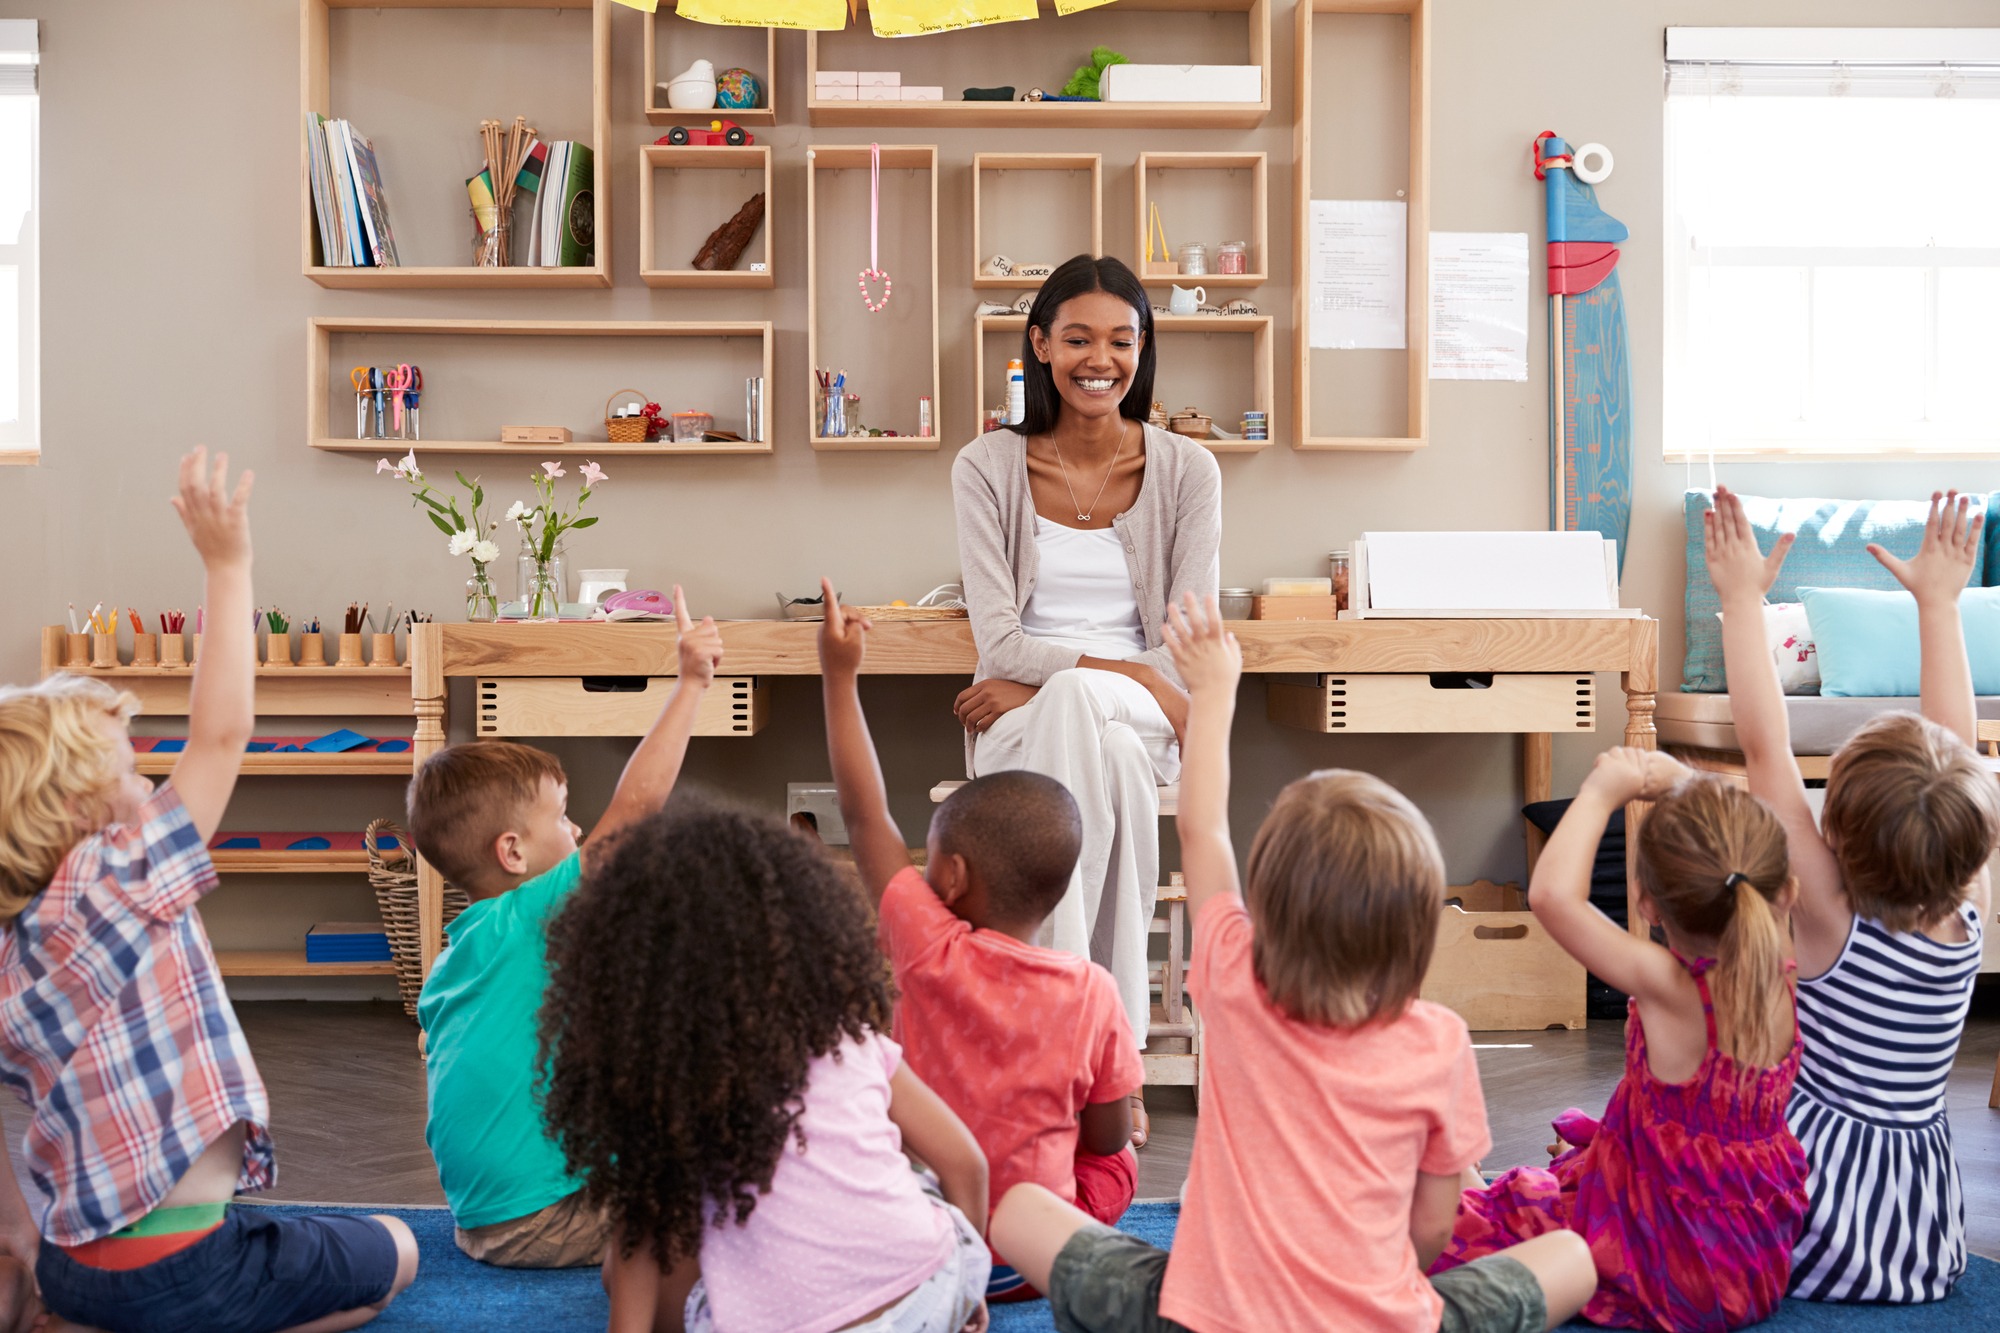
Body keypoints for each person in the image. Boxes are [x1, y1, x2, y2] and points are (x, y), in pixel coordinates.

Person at [990, 594, 1595, 1333]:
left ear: (1268, 904)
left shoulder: (1235, 977)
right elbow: (1433, 1228)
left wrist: (1213, 694)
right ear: (1415, 932)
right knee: (1571, 1256)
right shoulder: (1438, 1040)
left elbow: (1202, 826)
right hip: (1382, 1321)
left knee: (1021, 1209)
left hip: (1197, 1317)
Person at [0, 448, 418, 1333]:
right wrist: (228, 568)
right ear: (81, 804)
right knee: (395, 1254)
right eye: (127, 765)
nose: (149, 775)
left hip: (73, 1268)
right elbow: (221, 733)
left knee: (269, 1249)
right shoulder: (121, 873)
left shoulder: (12, 946)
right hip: (186, 1267)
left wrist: (22, 1249)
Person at [537, 794, 992, 1333]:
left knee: (630, 1259)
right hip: (924, 1297)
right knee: (912, 1181)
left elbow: (638, 1258)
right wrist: (964, 1290)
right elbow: (968, 1166)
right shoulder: (850, 1040)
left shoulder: (662, 1093)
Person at [1707, 484, 2000, 1303]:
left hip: (1812, 1215)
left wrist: (1740, 600)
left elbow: (1765, 746)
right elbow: (1957, 756)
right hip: (1913, 1228)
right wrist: (1939, 605)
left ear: (1833, 833)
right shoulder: (1961, 906)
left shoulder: (1830, 918)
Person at [953, 254, 1221, 1144]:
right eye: (1076, 338)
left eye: (1120, 339)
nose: (1098, 358)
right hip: (1035, 725)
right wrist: (1133, 673)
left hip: (1124, 714)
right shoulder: (986, 466)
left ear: (1143, 351)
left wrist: (1128, 677)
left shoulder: (1188, 472)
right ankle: (1119, 1059)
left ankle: (1057, 1037)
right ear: (1039, 344)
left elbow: (1183, 639)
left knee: (1081, 704)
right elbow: (997, 641)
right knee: (1086, 728)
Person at [817, 579, 1140, 1301]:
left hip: (928, 1241)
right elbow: (1112, 1136)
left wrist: (839, 677)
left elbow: (864, 816)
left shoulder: (927, 944)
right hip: (1030, 1256)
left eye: (929, 860)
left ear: (953, 876)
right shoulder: (1093, 990)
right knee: (1119, 1169)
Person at [1436, 748, 1809, 1331]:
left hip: (1668, 1263)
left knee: (1480, 1208)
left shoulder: (1670, 986)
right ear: (1783, 893)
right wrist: (1685, 784)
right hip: (1751, 1265)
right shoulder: (1781, 966)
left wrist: (1602, 792)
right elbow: (1737, 858)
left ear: (1646, 905)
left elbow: (1553, 897)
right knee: (1551, 1177)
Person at [409, 588, 723, 1268]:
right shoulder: (531, 912)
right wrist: (692, 682)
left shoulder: (459, 955)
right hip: (546, 1218)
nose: (577, 831)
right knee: (737, 1195)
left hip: (481, 1215)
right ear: (513, 852)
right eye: (561, 818)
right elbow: (637, 807)